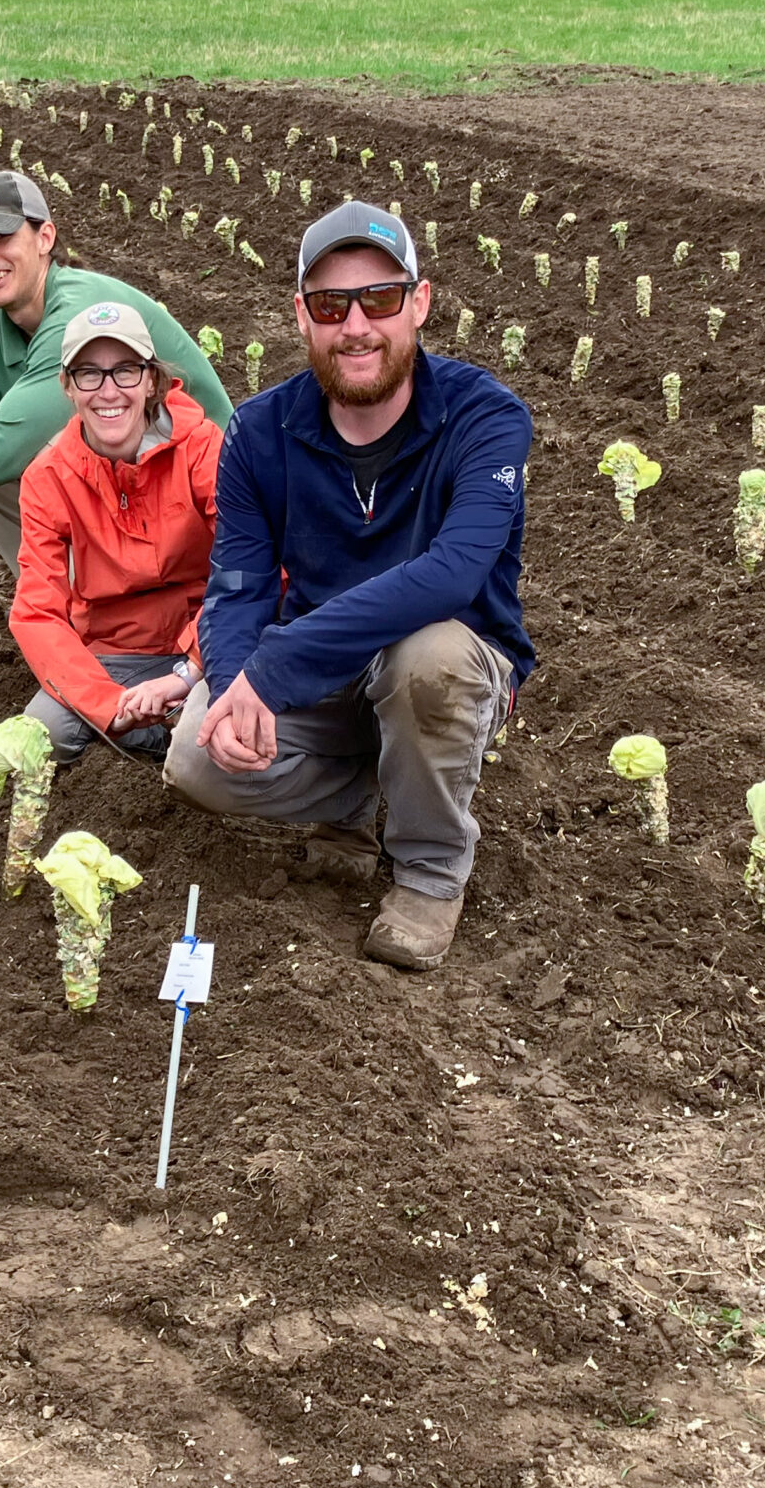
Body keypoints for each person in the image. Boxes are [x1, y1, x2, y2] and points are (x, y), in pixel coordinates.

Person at [164, 203, 535, 972]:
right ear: (303, 317)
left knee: (425, 660)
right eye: (332, 305)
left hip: (446, 667)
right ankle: (359, 798)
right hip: (327, 680)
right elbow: (236, 586)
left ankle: (431, 868)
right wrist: (238, 687)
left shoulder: (485, 417)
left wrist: (278, 664)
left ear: (420, 304)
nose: (357, 325)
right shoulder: (261, 431)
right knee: (197, 762)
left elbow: (455, 573)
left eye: (381, 299)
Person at [0, 169, 235, 574]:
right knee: (22, 459)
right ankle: (65, 592)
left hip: (205, 487)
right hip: (121, 485)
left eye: (1, 237)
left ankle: (117, 595)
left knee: (39, 454)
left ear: (45, 238)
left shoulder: (78, 309)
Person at [11, 301, 220, 762]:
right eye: (89, 374)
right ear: (67, 386)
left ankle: (177, 734)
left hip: (213, 638)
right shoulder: (48, 479)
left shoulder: (204, 450)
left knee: (215, 736)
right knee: (46, 732)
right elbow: (37, 612)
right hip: (119, 654)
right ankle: (155, 737)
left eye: (124, 371)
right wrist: (109, 707)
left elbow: (252, 567)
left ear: (150, 380)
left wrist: (191, 668)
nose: (108, 392)